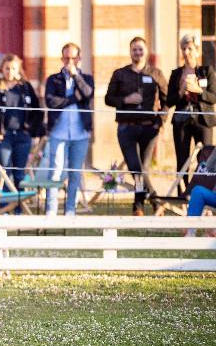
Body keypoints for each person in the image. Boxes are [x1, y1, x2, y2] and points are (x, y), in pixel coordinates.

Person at [105, 36, 168, 215]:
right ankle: (156, 200)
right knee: (136, 167)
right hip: (126, 127)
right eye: (134, 49)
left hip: (150, 128)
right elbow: (108, 99)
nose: (138, 52)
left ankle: (138, 206)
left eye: (140, 49)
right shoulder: (120, 73)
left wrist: (160, 122)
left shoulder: (156, 73)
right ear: (130, 52)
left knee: (143, 169)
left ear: (146, 51)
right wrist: (125, 99)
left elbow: (166, 100)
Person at [44, 43, 95, 216]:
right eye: (67, 58)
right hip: (58, 132)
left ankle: (70, 210)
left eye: (74, 58)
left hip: (80, 133)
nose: (70, 61)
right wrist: (74, 98)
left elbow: (88, 93)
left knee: (75, 173)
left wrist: (76, 77)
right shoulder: (53, 79)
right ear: (62, 58)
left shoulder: (86, 78)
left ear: (79, 59)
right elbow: (51, 102)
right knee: (55, 172)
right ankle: (51, 210)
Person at [0, 54, 44, 191]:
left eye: (13, 68)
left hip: (22, 136)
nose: (10, 71)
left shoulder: (26, 87)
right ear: (2, 69)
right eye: (7, 68)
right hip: (3, 136)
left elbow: (36, 110)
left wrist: (31, 131)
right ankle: (4, 206)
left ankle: (18, 208)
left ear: (19, 70)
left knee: (19, 173)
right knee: (4, 172)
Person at [167, 34, 216, 193]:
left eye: (190, 48)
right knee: (182, 159)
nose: (186, 52)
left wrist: (199, 91)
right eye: (183, 48)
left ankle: (203, 193)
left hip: (203, 121)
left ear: (197, 50)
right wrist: (181, 91)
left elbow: (213, 97)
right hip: (181, 120)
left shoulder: (206, 71)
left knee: (206, 159)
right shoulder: (176, 74)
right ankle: (182, 194)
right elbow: (169, 101)